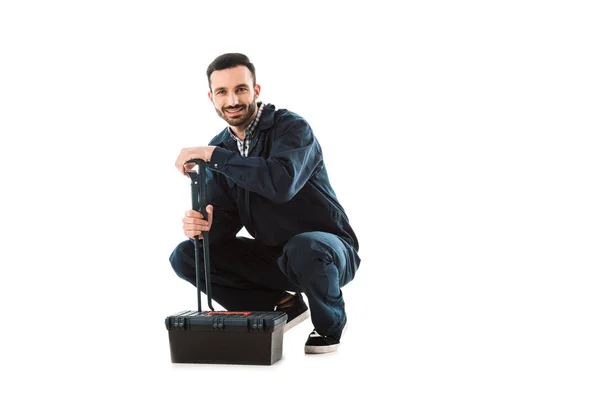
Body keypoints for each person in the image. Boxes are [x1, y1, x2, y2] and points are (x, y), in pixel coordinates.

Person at [169, 53, 360, 354]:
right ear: (211, 98)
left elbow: (280, 183)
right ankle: (279, 305)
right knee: (186, 255)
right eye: (222, 92)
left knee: (304, 247)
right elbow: (226, 221)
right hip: (274, 258)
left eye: (240, 89)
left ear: (256, 91)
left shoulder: (292, 129)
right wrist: (205, 227)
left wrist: (215, 157)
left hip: (327, 252)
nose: (232, 99)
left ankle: (330, 325)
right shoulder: (220, 147)